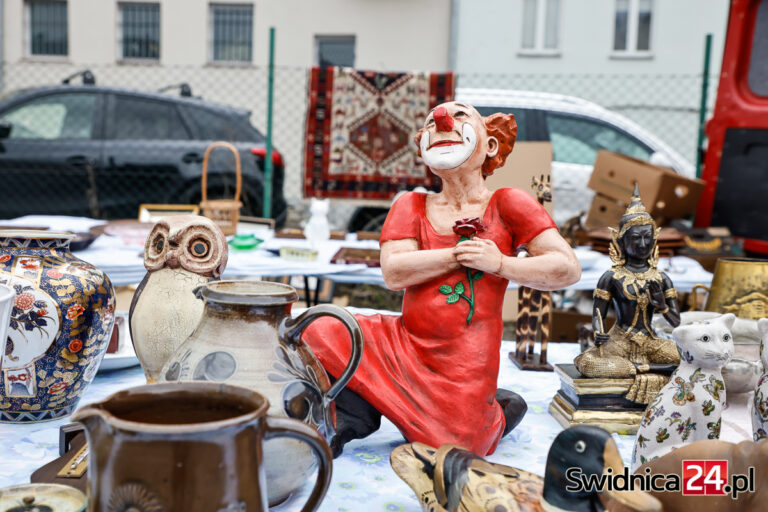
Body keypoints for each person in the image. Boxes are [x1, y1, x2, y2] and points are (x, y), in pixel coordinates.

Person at [303, 102, 581, 456]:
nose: (441, 121)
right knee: (320, 326)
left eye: (460, 116)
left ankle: (494, 410)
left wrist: (500, 263)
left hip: (465, 359)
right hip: (403, 345)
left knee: (457, 447)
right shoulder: (411, 205)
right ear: (423, 149)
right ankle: (356, 413)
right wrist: (455, 255)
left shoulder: (509, 203)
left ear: (490, 146)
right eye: (430, 124)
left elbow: (566, 267)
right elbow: (394, 271)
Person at [574, 186, 681, 403]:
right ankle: (654, 369)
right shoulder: (611, 277)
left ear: (654, 240)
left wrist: (662, 307)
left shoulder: (661, 278)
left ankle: (638, 368)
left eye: (647, 238)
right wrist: (598, 332)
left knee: (684, 358)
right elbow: (598, 313)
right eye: (636, 238)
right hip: (619, 341)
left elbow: (676, 322)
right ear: (621, 241)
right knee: (588, 363)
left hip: (651, 343)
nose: (643, 244)